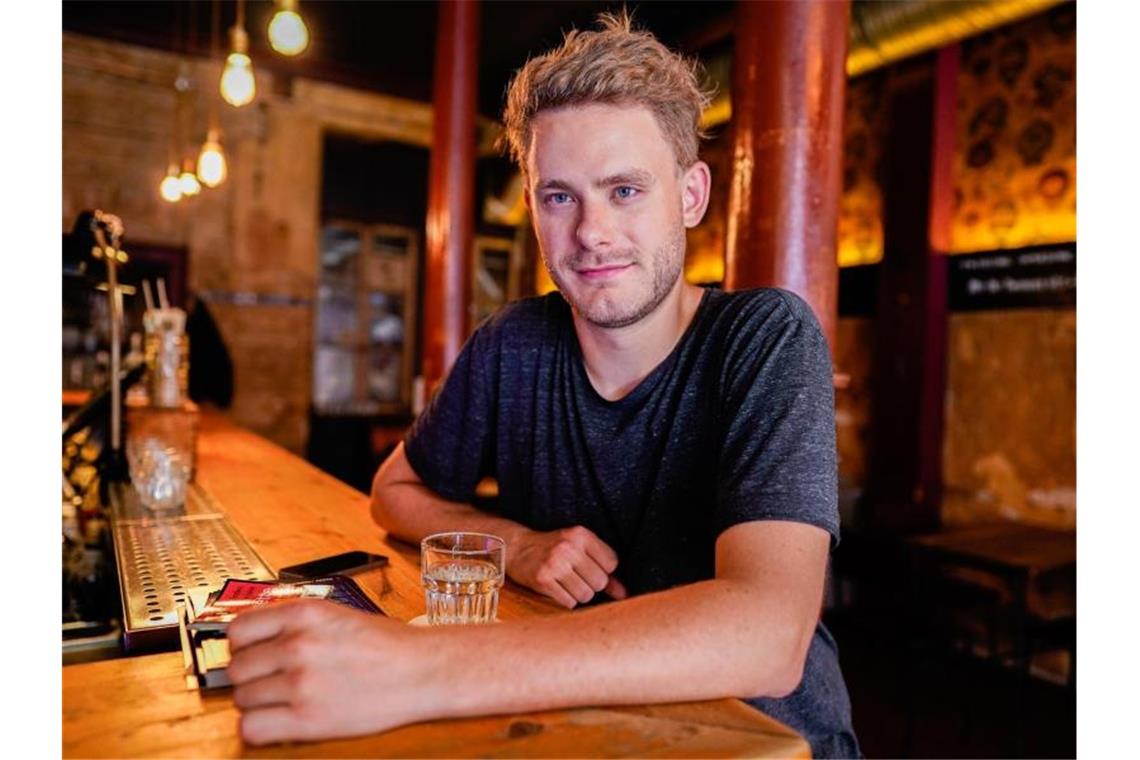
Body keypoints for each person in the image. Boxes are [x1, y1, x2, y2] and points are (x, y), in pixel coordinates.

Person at [227, 12, 860, 758]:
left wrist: (415, 668)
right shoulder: (514, 343)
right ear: (531, 204)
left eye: (625, 190)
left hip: (766, 745)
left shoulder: (763, 337)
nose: (591, 231)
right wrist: (518, 546)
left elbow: (768, 634)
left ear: (690, 195)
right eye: (560, 196)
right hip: (569, 735)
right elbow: (392, 490)